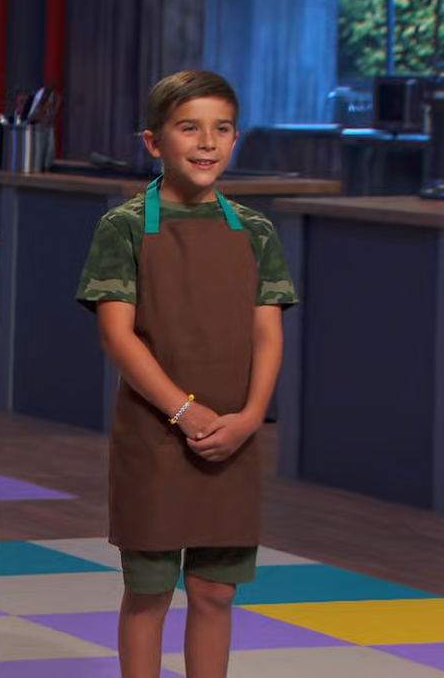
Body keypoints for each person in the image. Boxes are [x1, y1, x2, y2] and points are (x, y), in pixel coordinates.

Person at [76, 70, 299, 678]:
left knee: (215, 593)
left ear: (236, 139)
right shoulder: (123, 226)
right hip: (153, 437)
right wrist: (182, 409)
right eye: (189, 128)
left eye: (221, 129)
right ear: (154, 142)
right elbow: (117, 336)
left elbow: (268, 334)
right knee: (149, 593)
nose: (207, 143)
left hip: (234, 437)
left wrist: (250, 418)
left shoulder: (256, 231)